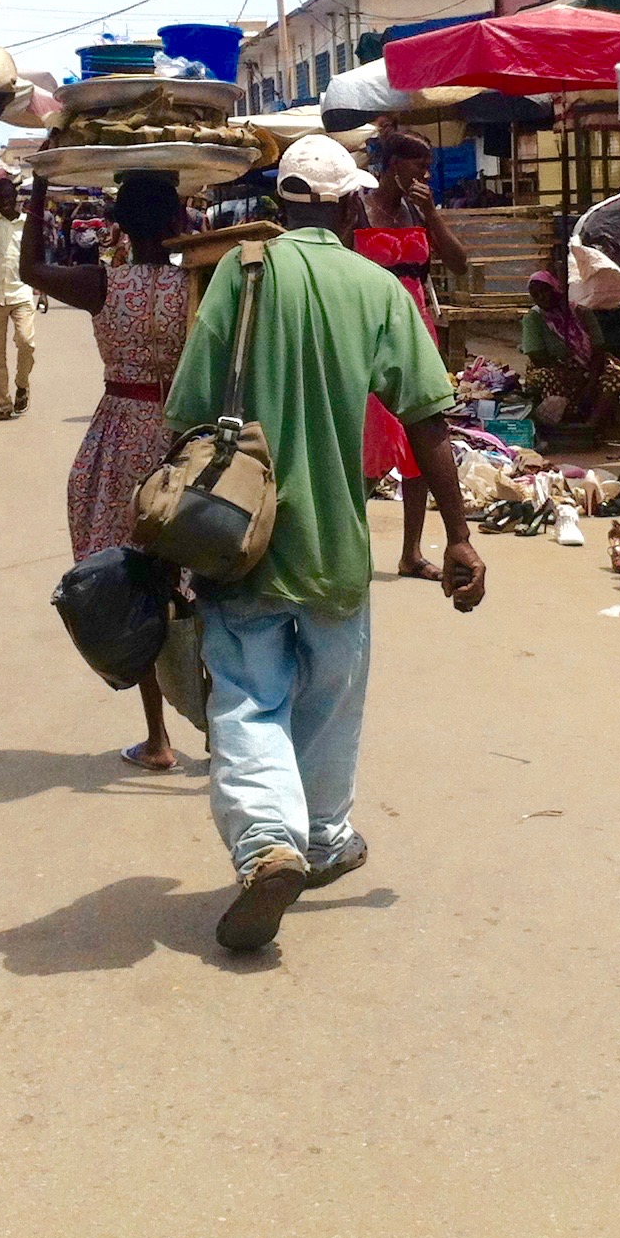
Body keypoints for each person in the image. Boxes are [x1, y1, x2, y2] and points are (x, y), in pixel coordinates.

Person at [163, 135, 486, 952]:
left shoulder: (236, 276)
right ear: (348, 205)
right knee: (333, 699)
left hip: (242, 537)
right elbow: (427, 421)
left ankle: (268, 841)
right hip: (335, 541)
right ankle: (323, 837)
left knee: (245, 699)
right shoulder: (375, 287)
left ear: (282, 202)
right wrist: (460, 537)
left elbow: (188, 411)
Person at [23, 168, 190, 772]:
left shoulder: (102, 284)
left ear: (117, 224)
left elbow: (30, 272)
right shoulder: (195, 285)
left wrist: (41, 188)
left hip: (119, 429)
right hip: (181, 433)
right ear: (177, 222)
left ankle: (157, 737)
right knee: (196, 574)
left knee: (131, 579)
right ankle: (226, 726)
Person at [351, 132, 472, 580]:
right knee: (366, 440)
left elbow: (460, 264)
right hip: (368, 332)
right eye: (417, 164)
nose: (424, 173)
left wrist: (431, 215)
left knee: (420, 439)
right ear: (391, 164)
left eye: (427, 165)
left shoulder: (419, 211)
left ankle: (412, 552)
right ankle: (350, 544)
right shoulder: (356, 207)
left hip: (416, 329)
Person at [521, 269, 617, 428]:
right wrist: (568, 372)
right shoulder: (534, 318)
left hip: (587, 367)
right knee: (549, 377)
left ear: (555, 290)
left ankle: (590, 425)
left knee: (614, 376)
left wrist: (591, 382)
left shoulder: (582, 314)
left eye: (544, 292)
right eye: (535, 295)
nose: (540, 298)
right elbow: (537, 356)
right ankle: (561, 424)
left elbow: (599, 349)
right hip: (552, 367)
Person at [0, 175, 36, 419]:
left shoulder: (28, 224)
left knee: (26, 342)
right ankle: (4, 405)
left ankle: (22, 384)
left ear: (16, 198)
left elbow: (36, 260)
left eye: (9, 197)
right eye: (1, 198)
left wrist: (41, 292)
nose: (6, 202)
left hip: (21, 292)